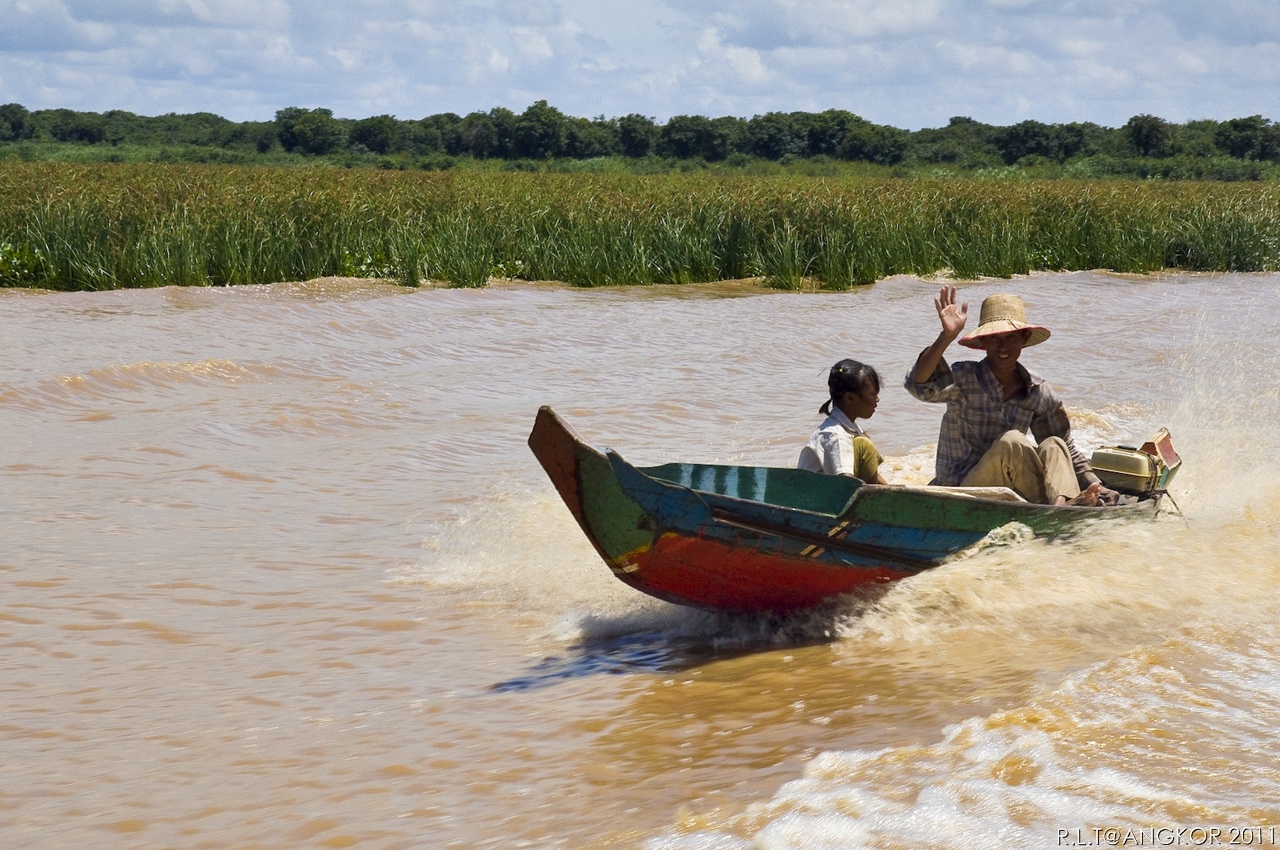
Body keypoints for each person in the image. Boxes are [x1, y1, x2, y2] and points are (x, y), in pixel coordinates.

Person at [904, 285, 1119, 506]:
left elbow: (1066, 447)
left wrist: (1096, 483)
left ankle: (1060, 506)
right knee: (1013, 440)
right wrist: (946, 337)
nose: (1003, 346)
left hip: (1011, 491)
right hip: (961, 489)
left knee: (1054, 444)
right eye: (995, 338)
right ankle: (1062, 507)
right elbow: (918, 386)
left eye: (1011, 337)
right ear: (983, 343)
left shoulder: (1037, 390)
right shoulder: (964, 378)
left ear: (1024, 339)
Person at [797, 358, 888, 484]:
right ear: (850, 398)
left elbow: (873, 476)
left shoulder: (848, 428)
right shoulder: (837, 436)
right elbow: (845, 482)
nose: (877, 399)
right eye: (873, 394)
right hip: (818, 498)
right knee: (865, 447)